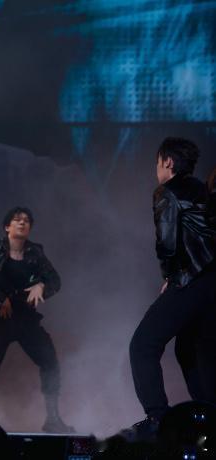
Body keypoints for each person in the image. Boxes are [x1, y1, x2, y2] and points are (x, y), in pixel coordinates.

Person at [126, 137, 216, 440]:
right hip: (211, 285)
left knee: (143, 345)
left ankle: (158, 419)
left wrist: (170, 275)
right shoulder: (203, 190)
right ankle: (210, 422)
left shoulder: (167, 192)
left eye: (157, 163)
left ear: (167, 162)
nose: (156, 170)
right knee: (190, 349)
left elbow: (167, 243)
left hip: (191, 279)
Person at [0, 207, 74, 433]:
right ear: (7, 226)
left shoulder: (35, 252)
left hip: (27, 319)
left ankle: (53, 419)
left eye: (27, 221)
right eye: (17, 220)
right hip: (1, 318)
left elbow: (55, 280)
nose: (22, 223)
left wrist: (41, 286)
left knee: (50, 362)